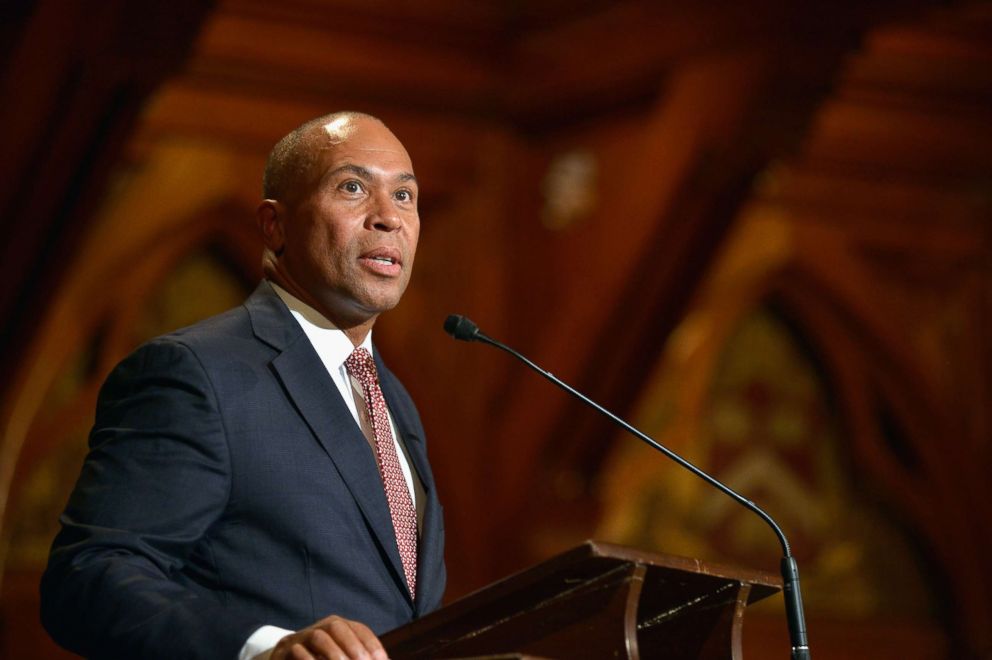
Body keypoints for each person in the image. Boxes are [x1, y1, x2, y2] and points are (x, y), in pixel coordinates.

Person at [40, 112, 446, 660]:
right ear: (275, 225)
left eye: (405, 196)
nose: (388, 218)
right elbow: (89, 578)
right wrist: (266, 650)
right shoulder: (194, 373)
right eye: (353, 187)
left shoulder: (393, 399)